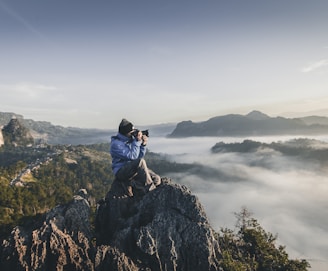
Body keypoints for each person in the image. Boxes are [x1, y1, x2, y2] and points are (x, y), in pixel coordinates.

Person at [110, 118, 161, 197]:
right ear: (125, 133)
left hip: (132, 169)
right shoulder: (116, 144)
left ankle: (135, 185)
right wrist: (137, 141)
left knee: (156, 179)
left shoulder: (130, 140)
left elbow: (139, 156)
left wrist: (143, 145)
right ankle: (150, 192)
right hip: (121, 171)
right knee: (141, 162)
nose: (133, 134)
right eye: (131, 132)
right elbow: (133, 157)